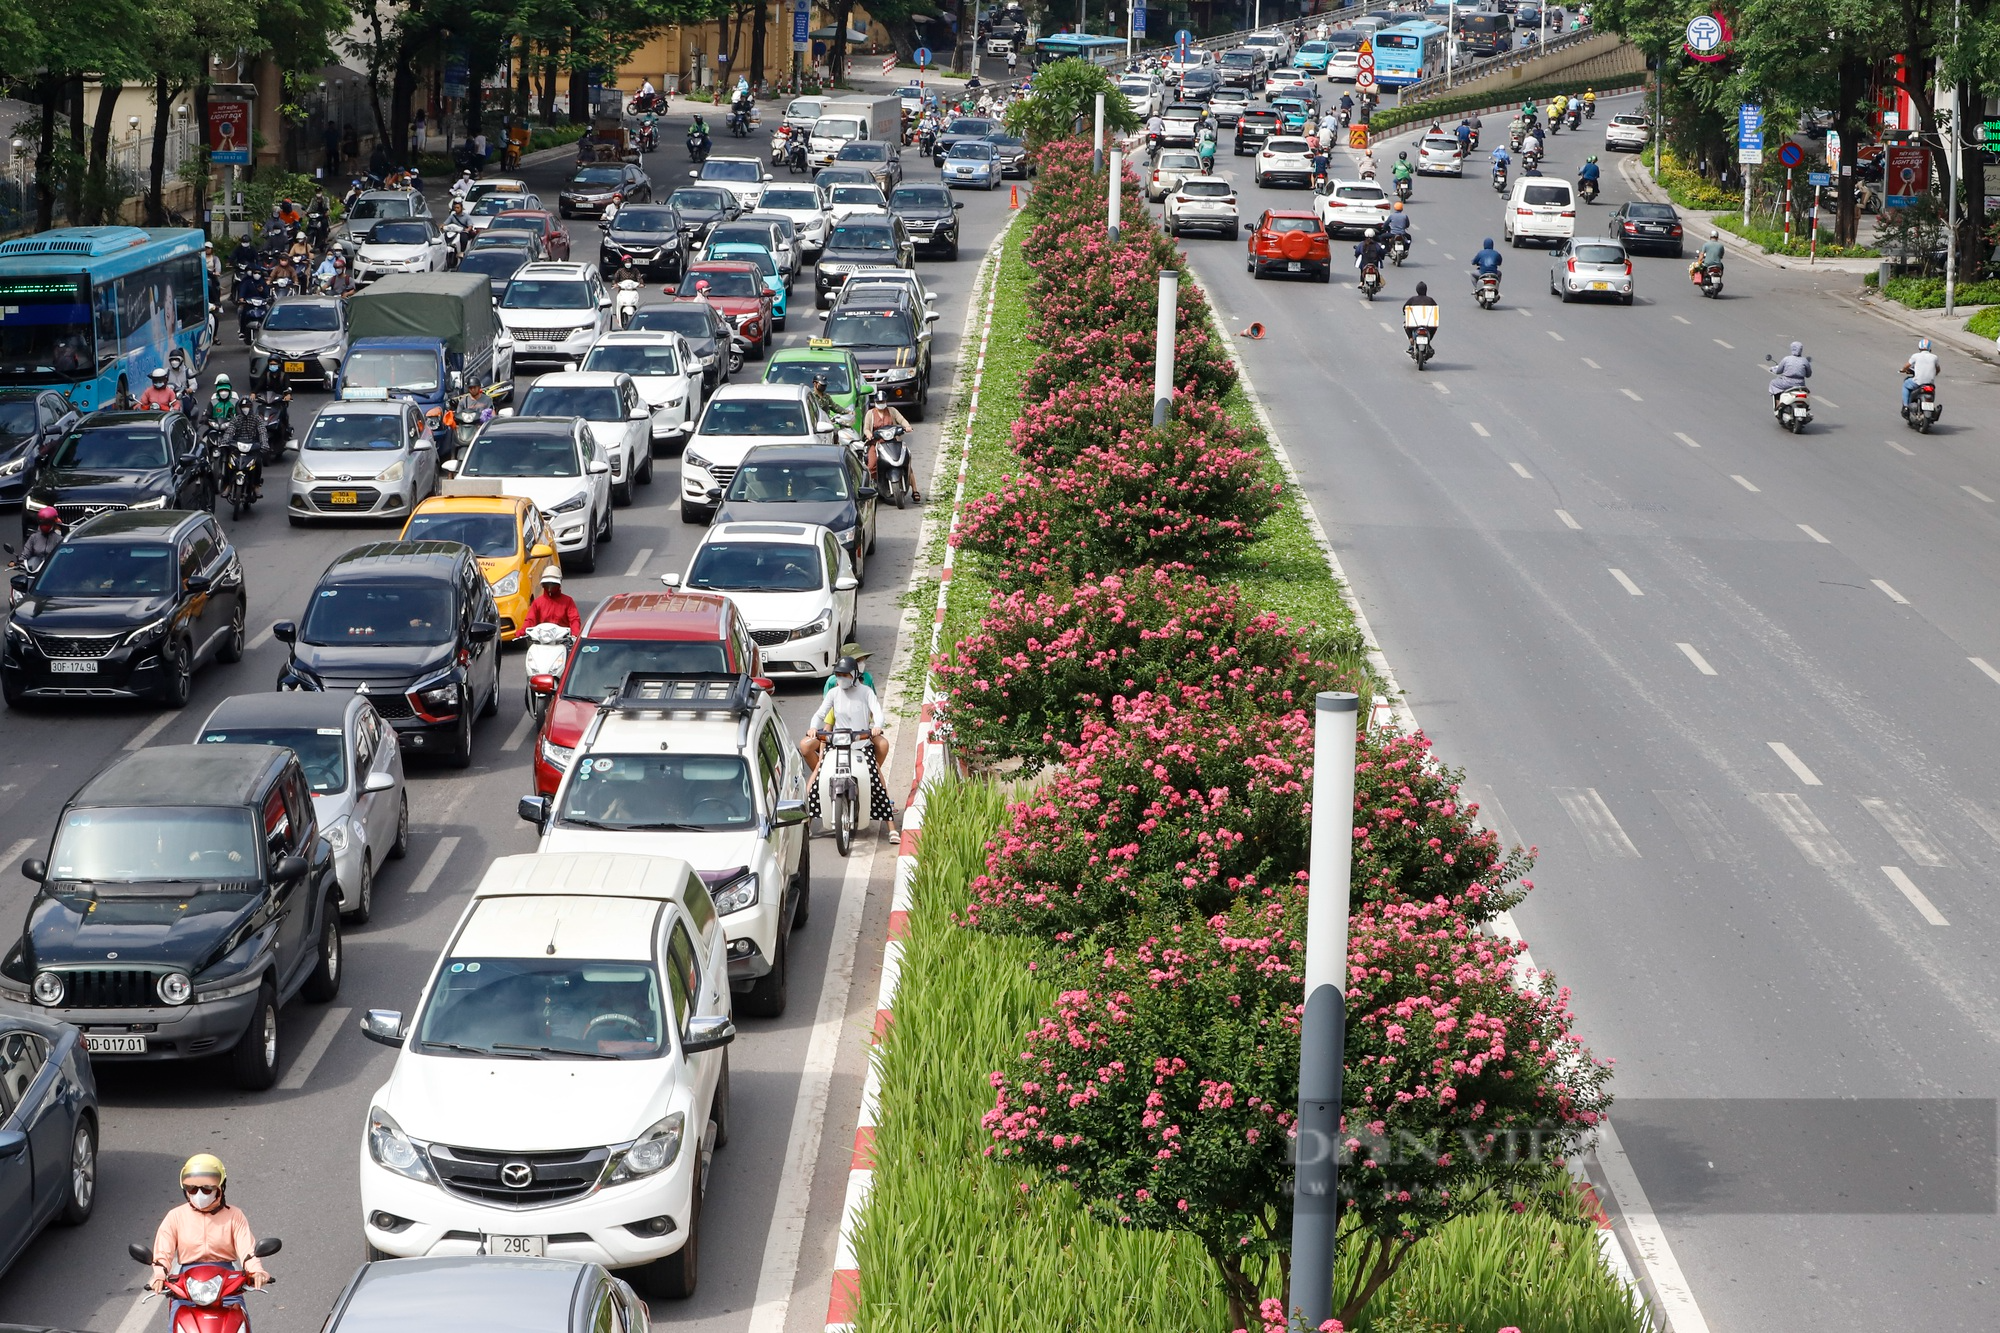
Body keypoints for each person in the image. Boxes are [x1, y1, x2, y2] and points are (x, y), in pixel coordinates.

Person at [149, 1156, 271, 1297]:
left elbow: (247, 1250)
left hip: (227, 1281)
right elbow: (163, 1253)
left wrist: (256, 1271)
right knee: (178, 1317)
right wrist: (159, 1275)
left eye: (207, 1188)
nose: (199, 1194)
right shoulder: (175, 1216)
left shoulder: (235, 1215)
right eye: (192, 1188)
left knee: (239, 1316)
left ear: (220, 1188)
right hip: (187, 1282)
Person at [801, 658, 894, 822]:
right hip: (838, 744)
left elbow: (878, 713)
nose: (841, 678)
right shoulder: (833, 693)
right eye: (838, 675)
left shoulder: (866, 692)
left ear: (855, 674)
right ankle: (808, 818)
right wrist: (813, 728)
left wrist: (877, 726)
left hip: (861, 745)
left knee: (875, 781)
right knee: (819, 779)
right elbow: (820, 714)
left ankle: (890, 823)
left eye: (845, 674)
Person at [864, 390, 919, 501]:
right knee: (871, 466)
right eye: (879, 401)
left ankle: (915, 490)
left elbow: (902, 420)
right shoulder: (870, 414)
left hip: (893, 442)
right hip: (877, 444)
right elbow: (866, 428)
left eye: (883, 401)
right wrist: (869, 434)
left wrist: (907, 426)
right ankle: (872, 488)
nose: (881, 403)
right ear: (875, 402)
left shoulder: (892, 411)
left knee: (905, 461)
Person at [524, 568, 582, 635]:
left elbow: (574, 619)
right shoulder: (537, 602)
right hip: (542, 638)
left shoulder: (568, 601)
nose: (550, 587)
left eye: (553, 584)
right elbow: (530, 619)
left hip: (563, 638)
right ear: (543, 585)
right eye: (547, 584)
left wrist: (575, 632)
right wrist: (523, 630)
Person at [1902, 337, 1940, 407]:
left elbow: (1906, 366)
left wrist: (1903, 370)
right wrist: (1936, 373)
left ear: (1919, 347)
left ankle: (1905, 406)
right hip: (1930, 384)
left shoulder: (1916, 356)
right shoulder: (1935, 357)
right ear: (1930, 348)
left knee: (1905, 384)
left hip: (1918, 383)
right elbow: (1938, 369)